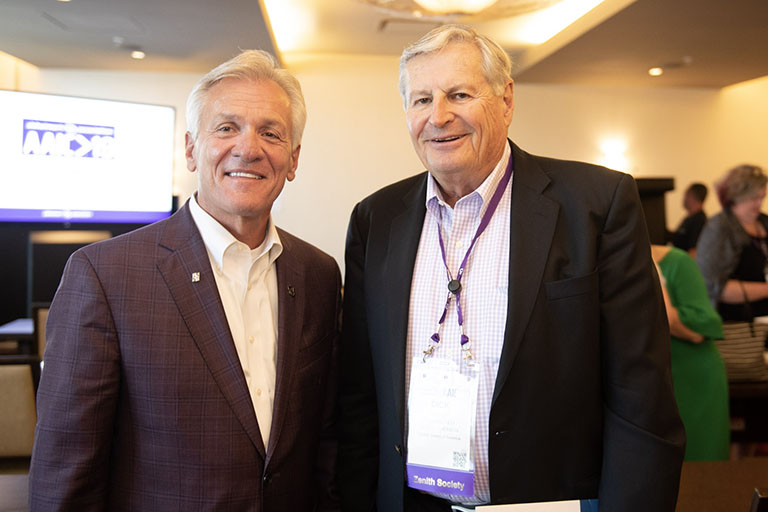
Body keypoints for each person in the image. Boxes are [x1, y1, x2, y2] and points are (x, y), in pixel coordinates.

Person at [338, 24, 684, 512]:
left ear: (506, 100)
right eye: (421, 100)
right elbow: (359, 396)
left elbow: (641, 398)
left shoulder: (596, 205)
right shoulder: (375, 220)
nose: (438, 116)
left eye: (459, 94)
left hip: (547, 503)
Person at [29, 50, 341, 511]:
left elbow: (325, 442)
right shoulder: (105, 275)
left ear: (292, 159)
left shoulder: (318, 274)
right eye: (227, 127)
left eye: (271, 133)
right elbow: (65, 470)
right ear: (192, 149)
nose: (249, 148)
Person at [652, 245, 729, 461]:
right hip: (657, 381)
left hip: (694, 378)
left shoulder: (677, 262)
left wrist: (656, 277)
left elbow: (698, 329)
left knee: (700, 463)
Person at [697, 164, 768, 321]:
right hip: (735, 324)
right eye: (754, 198)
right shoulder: (719, 227)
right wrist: (766, 290)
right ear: (735, 196)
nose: (759, 203)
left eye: (762, 197)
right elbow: (714, 287)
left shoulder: (764, 221)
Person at [671, 183, 708, 254]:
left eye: (686, 195)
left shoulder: (699, 221)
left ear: (692, 196)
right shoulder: (689, 218)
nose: (683, 198)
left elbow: (694, 251)